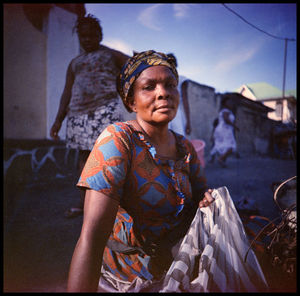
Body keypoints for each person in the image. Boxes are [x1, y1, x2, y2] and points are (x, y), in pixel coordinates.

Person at [67, 51, 268, 292]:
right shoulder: (118, 141)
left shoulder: (185, 147)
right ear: (131, 101)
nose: (163, 93)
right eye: (149, 87)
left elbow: (200, 191)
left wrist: (206, 200)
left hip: (177, 262)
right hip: (130, 277)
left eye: (170, 85)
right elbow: (91, 239)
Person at [50, 14, 129, 218]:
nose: (87, 40)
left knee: (110, 158)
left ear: (99, 35)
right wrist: (58, 119)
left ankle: (115, 206)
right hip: (79, 115)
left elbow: (134, 69)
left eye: (91, 35)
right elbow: (67, 92)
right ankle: (85, 205)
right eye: (83, 36)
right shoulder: (75, 63)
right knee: (85, 161)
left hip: (105, 112)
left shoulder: (112, 55)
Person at [209, 96, 239, 167]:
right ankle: (221, 158)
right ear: (225, 103)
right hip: (225, 130)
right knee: (232, 146)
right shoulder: (226, 111)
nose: (231, 103)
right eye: (229, 102)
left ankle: (221, 159)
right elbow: (226, 119)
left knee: (222, 145)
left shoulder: (225, 111)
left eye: (231, 102)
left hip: (223, 130)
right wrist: (235, 126)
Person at [167, 53, 191, 137]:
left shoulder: (181, 80)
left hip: (176, 114)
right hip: (163, 113)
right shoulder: (162, 80)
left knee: (179, 140)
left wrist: (188, 121)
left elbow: (185, 101)